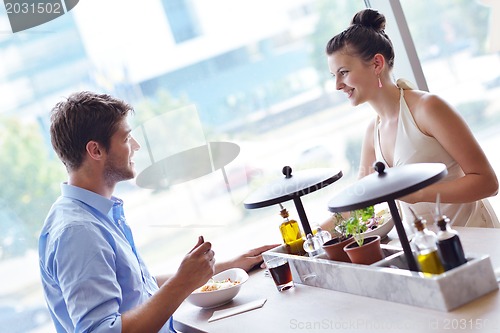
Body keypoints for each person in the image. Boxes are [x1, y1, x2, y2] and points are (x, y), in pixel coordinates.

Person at [38, 91, 278, 333]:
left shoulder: (93, 214)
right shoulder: (78, 233)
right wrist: (182, 283)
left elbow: (137, 290)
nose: (136, 146)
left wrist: (221, 267)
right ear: (96, 151)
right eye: (126, 138)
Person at [323, 8, 498, 229]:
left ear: (377, 63)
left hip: (478, 240)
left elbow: (488, 182)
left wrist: (419, 193)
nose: (337, 85)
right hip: (430, 251)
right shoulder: (372, 132)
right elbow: (360, 203)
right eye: (334, 75)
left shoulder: (429, 108)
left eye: (344, 72)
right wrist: (308, 238)